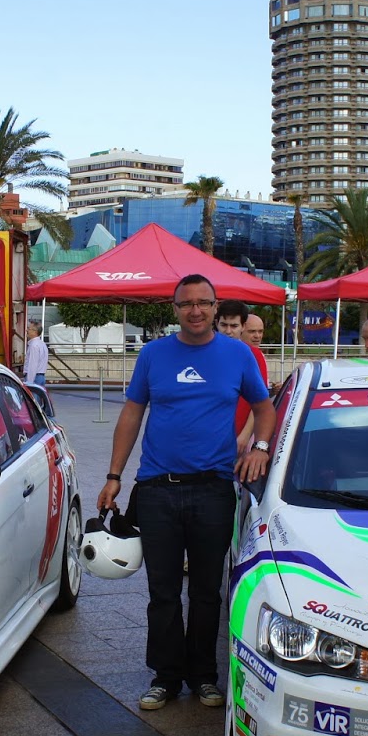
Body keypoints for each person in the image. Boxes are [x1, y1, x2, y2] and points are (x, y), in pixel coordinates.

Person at [99, 275, 274, 711]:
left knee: (206, 591)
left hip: (214, 490)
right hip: (158, 489)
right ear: (173, 308)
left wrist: (261, 448)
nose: (195, 310)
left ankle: (204, 677)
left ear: (216, 308)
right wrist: (114, 474)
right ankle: (165, 677)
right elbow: (132, 413)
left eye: (203, 303)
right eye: (186, 304)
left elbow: (264, 406)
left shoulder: (238, 353)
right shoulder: (154, 354)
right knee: (161, 591)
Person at [217, 299, 269, 449]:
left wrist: (245, 437)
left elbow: (261, 403)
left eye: (233, 326)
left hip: (240, 439)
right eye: (224, 325)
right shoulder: (205, 353)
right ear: (216, 324)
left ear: (242, 327)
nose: (228, 331)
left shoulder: (253, 355)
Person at [23, 320, 48, 387]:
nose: (26, 330)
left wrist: (29, 382)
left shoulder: (34, 346)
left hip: (34, 378)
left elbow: (32, 365)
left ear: (35, 332)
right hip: (41, 377)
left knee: (32, 397)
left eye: (29, 328)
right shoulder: (42, 344)